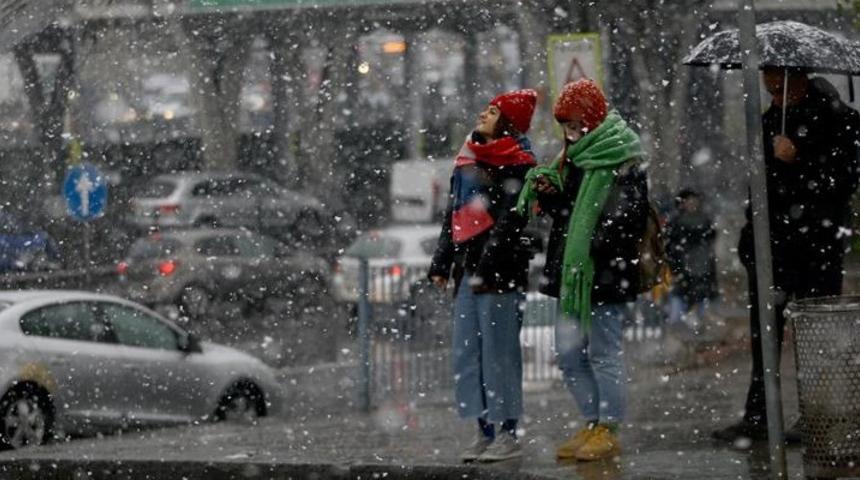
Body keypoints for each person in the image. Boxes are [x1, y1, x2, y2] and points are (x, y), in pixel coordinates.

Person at [712, 68, 860, 444]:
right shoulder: (769, 120)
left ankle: (818, 415)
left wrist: (798, 159)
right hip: (772, 247)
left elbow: (843, 181)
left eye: (780, 88)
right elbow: (760, 187)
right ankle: (759, 415)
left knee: (816, 338)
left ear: (799, 80)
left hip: (817, 246)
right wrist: (750, 240)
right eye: (769, 88)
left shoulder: (839, 119)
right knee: (766, 335)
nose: (774, 95)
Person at [517, 79, 649, 461]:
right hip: (572, 274)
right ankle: (592, 422)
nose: (570, 134)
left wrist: (593, 243)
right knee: (569, 353)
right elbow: (567, 215)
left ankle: (609, 427)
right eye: (565, 126)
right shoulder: (574, 157)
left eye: (575, 125)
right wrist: (551, 195)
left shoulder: (622, 157)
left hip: (604, 274)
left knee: (604, 352)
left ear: (592, 119)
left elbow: (628, 219)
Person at [427, 89, 537, 463]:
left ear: (507, 122)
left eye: (492, 112)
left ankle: (507, 430)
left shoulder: (518, 163)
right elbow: (453, 216)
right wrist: (442, 263)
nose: (483, 115)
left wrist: (489, 257)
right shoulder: (467, 159)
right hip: (468, 272)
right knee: (467, 353)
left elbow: (512, 219)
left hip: (500, 273)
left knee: (499, 353)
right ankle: (483, 429)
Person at [664, 188, 718, 334]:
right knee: (679, 312)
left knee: (698, 312)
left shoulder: (704, 221)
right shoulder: (677, 223)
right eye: (689, 201)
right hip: (684, 272)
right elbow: (671, 248)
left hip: (700, 272)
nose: (693, 204)